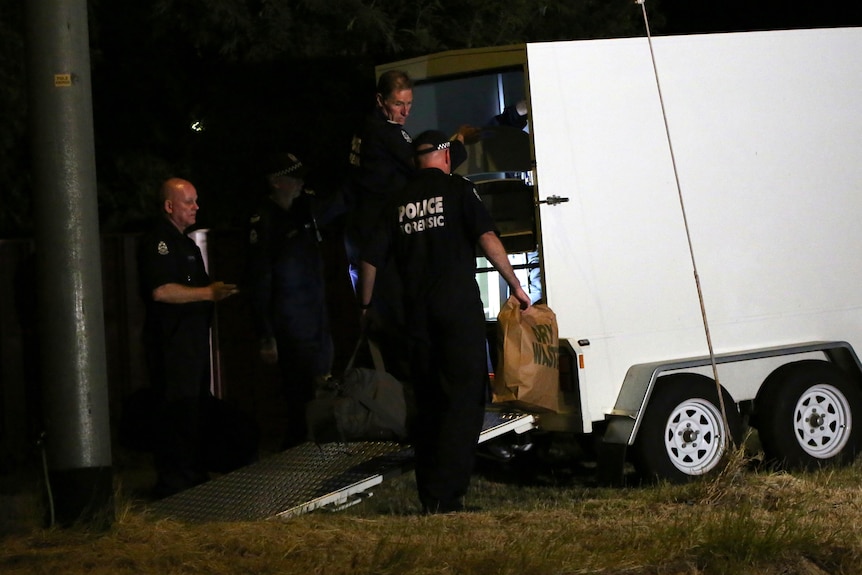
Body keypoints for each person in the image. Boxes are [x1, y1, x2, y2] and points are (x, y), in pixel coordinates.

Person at [359, 130, 531, 513]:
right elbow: (486, 236)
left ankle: (430, 493)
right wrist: (516, 286)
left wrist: (366, 306)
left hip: (415, 319)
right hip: (456, 314)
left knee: (428, 403)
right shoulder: (457, 190)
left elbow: (368, 260)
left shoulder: (396, 202)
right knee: (464, 401)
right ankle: (448, 495)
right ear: (445, 158)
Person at [345, 70, 475, 377]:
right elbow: (425, 169)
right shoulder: (386, 133)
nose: (405, 112)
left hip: (365, 237)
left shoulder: (366, 128)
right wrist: (456, 144)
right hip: (381, 243)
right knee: (398, 326)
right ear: (381, 100)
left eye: (409, 104)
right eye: (398, 104)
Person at [137, 177, 240, 497]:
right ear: (169, 206)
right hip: (172, 343)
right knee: (175, 409)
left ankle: (191, 472)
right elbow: (162, 290)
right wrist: (207, 293)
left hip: (193, 342)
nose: (196, 207)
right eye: (188, 202)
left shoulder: (186, 242)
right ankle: (173, 479)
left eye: (196, 200)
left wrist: (214, 292)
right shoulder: (159, 241)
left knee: (193, 407)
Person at [246, 152, 336, 449]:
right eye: (292, 177)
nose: (300, 183)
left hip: (315, 318)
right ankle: (297, 453)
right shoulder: (265, 221)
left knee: (321, 388)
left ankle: (315, 447)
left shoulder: (303, 212)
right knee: (299, 397)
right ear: (275, 182)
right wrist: (266, 334)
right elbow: (260, 281)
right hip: (290, 325)